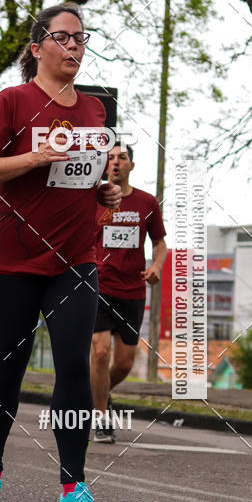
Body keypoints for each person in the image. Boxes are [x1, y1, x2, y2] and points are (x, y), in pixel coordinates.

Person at [0, 3, 121, 502]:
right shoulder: (11, 102)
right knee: (9, 368)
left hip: (75, 258)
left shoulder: (96, 111)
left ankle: (73, 491)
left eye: (81, 37)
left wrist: (108, 192)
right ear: (37, 49)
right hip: (13, 257)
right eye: (63, 36)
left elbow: (89, 179)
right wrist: (34, 158)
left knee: (75, 364)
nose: (75, 45)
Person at [90, 144, 167, 443]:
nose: (116, 162)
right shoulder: (92, 200)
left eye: (122, 157)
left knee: (123, 363)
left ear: (131, 166)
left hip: (132, 289)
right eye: (110, 158)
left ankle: (100, 394)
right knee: (99, 352)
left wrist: (156, 266)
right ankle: (100, 417)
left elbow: (160, 243)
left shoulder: (146, 202)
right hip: (98, 285)